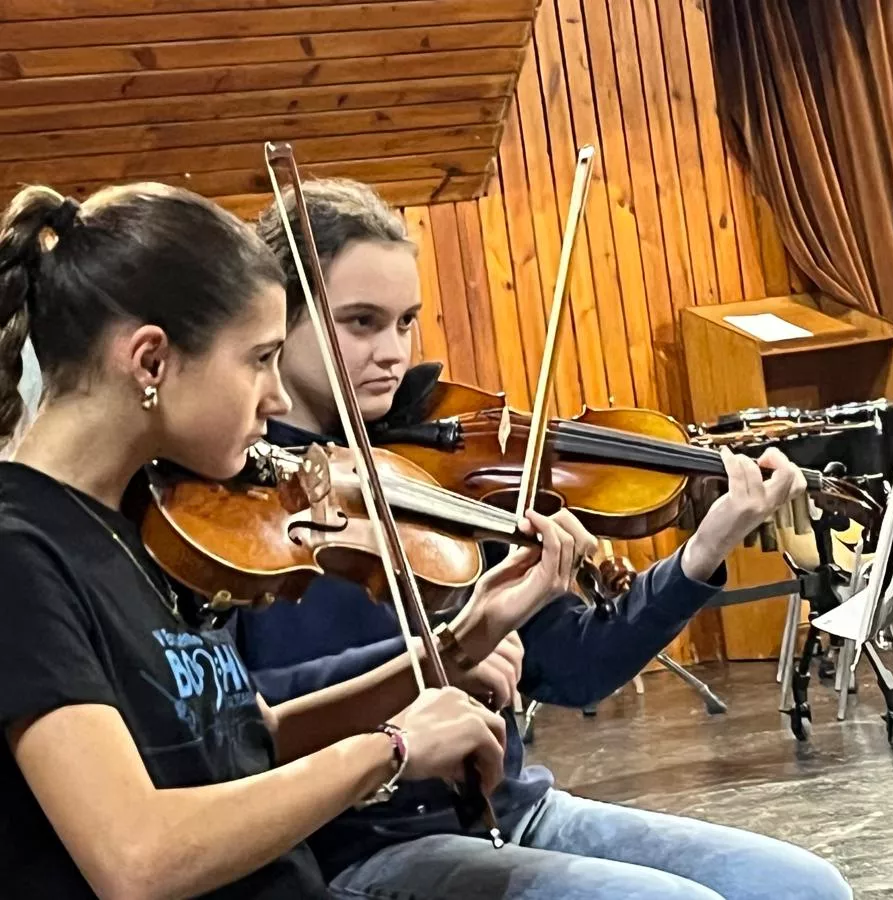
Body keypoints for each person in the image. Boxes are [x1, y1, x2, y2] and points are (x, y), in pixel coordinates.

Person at [229, 178, 853, 900]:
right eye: (362, 323)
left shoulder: (431, 473)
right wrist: (443, 655)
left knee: (805, 887)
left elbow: (578, 668)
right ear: (280, 318)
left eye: (406, 323)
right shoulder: (229, 505)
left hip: (511, 811)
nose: (393, 353)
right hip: (362, 845)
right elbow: (238, 719)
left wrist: (703, 552)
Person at [0, 182, 588, 898]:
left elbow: (250, 738)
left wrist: (457, 644)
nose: (276, 397)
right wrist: (392, 750)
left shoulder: (147, 522)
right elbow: (139, 859)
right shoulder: (20, 551)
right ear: (150, 362)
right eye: (259, 359)